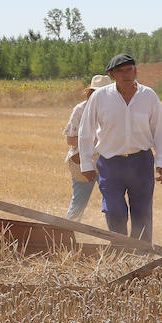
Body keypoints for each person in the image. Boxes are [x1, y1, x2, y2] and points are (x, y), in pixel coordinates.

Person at [77, 53, 162, 243]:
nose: (126, 75)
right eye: (120, 71)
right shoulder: (100, 97)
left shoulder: (148, 96)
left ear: (135, 71)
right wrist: (86, 163)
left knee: (142, 212)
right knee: (114, 210)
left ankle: (141, 255)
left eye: (129, 70)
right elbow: (86, 129)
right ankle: (121, 250)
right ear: (112, 75)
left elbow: (159, 129)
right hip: (111, 164)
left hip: (141, 161)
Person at [63, 74, 111, 221]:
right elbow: (70, 139)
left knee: (113, 203)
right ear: (91, 92)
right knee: (78, 203)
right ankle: (64, 237)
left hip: (108, 162)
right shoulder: (80, 109)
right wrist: (92, 140)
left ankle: (116, 238)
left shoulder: (115, 110)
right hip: (82, 162)